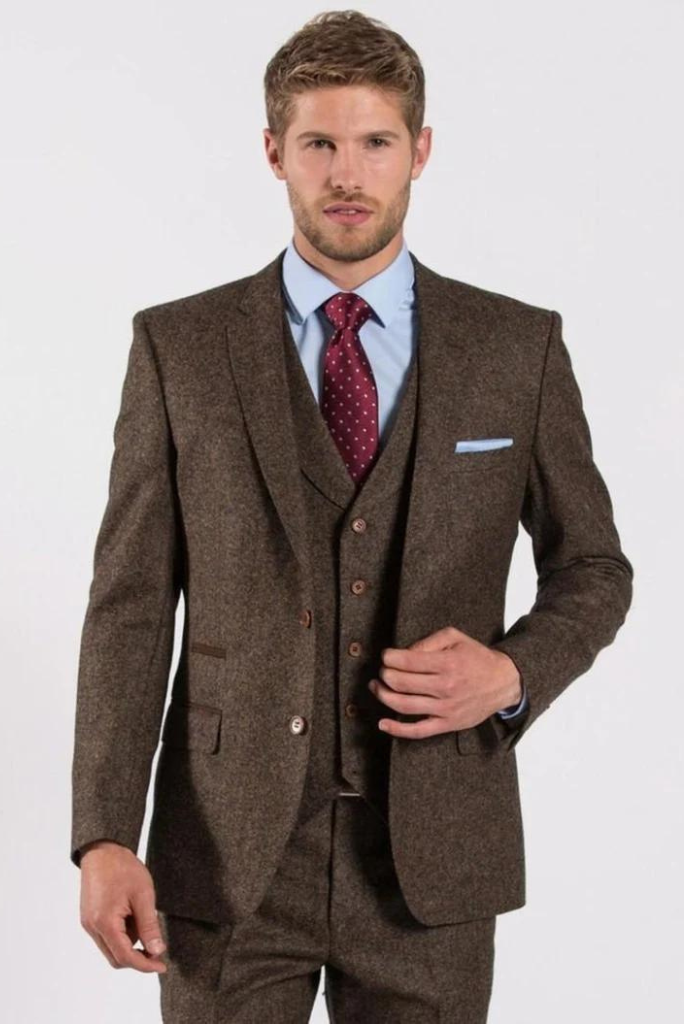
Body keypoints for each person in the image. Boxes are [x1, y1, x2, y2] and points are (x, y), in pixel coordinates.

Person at [70, 10, 634, 1022]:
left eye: (375, 142)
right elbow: (132, 605)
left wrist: (512, 674)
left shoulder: (517, 349)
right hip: (229, 857)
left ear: (420, 150)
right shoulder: (180, 348)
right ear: (272, 151)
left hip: (433, 860)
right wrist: (105, 832)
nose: (347, 174)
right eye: (318, 143)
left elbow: (594, 567)